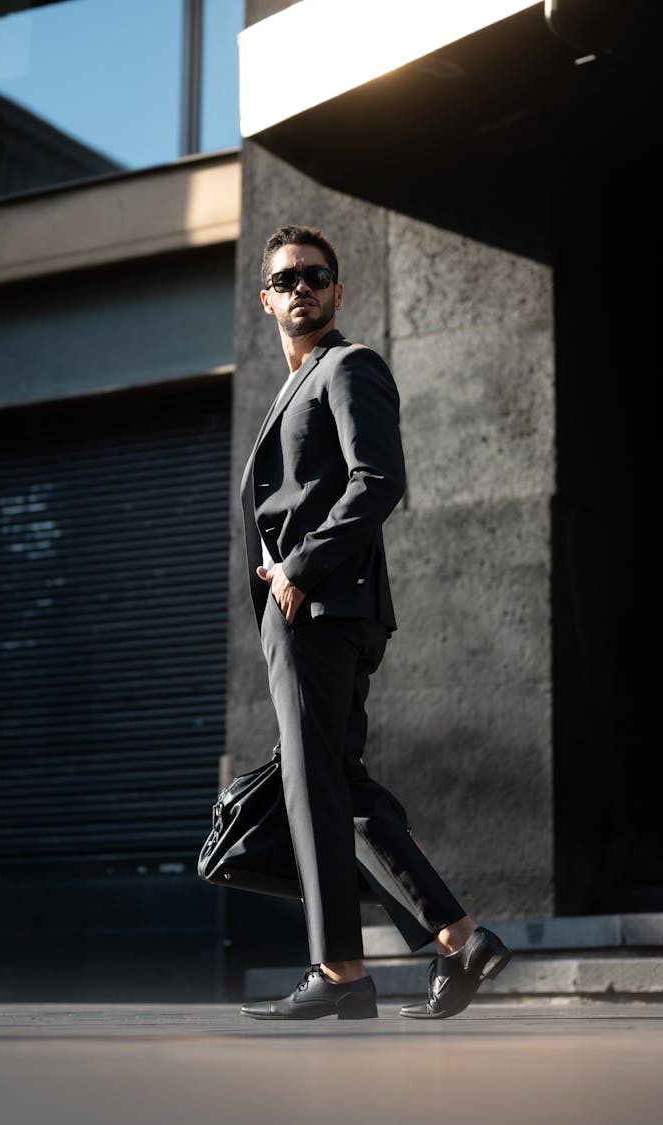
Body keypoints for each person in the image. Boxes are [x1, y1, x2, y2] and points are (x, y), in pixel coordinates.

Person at [238, 225, 511, 1021]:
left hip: (319, 604)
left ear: (338, 289)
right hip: (313, 606)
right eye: (286, 280)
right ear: (266, 299)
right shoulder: (300, 381)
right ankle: (460, 940)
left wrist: (298, 565)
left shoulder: (349, 366)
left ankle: (342, 969)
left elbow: (379, 479)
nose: (301, 289)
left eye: (315, 276)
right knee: (339, 785)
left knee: (313, 786)